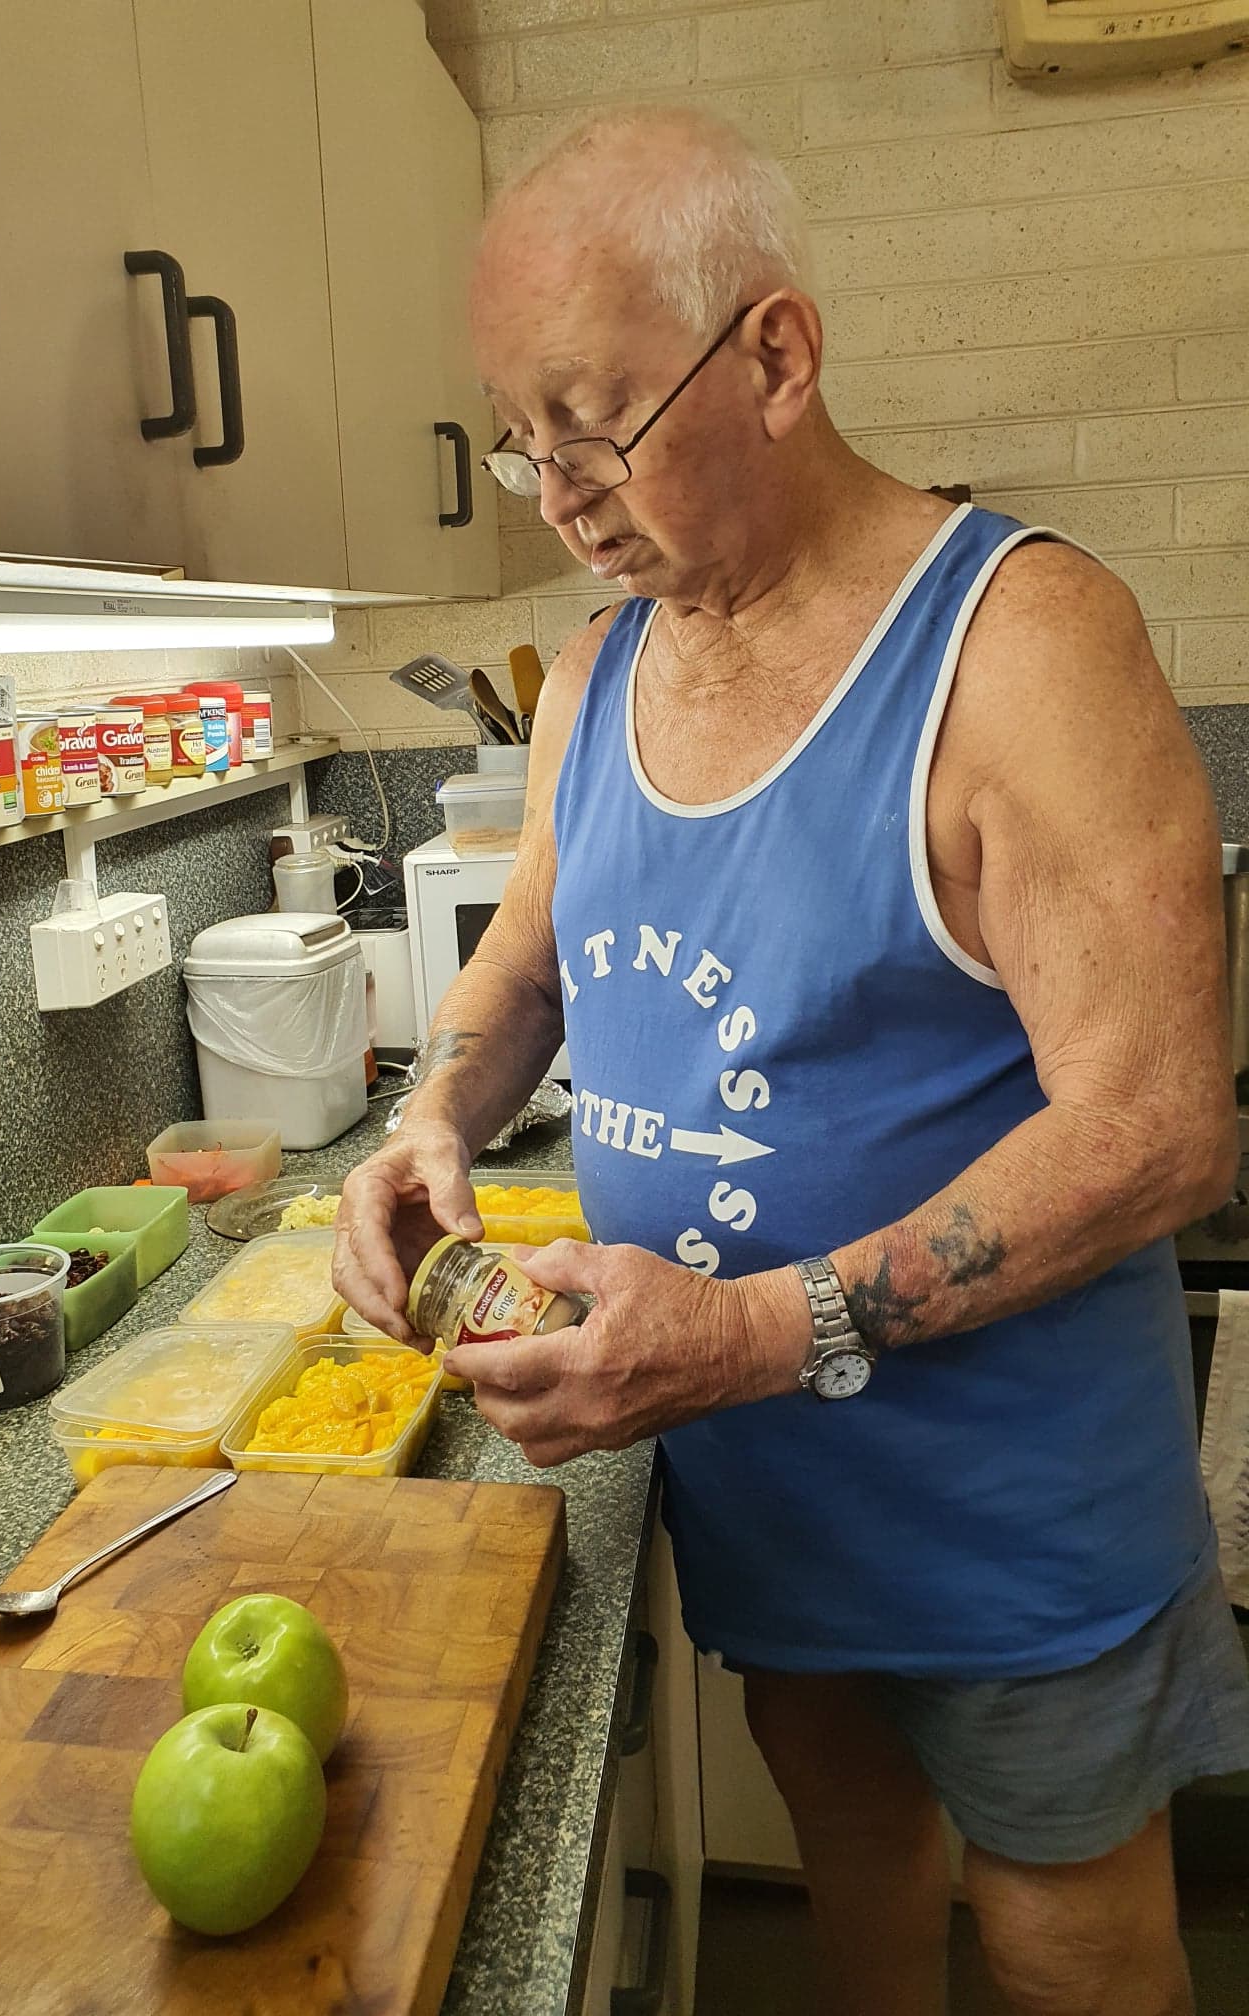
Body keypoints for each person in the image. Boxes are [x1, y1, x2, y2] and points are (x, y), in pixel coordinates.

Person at [332, 106, 1249, 2016]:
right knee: (854, 1868)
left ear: (777, 353)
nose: (560, 491)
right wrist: (430, 1114)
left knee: (1070, 1945)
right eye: (523, 437)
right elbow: (527, 966)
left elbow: (1161, 1132)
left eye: (597, 421)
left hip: (1008, 1516)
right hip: (762, 1478)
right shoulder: (598, 666)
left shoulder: (1023, 641)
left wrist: (748, 1331)